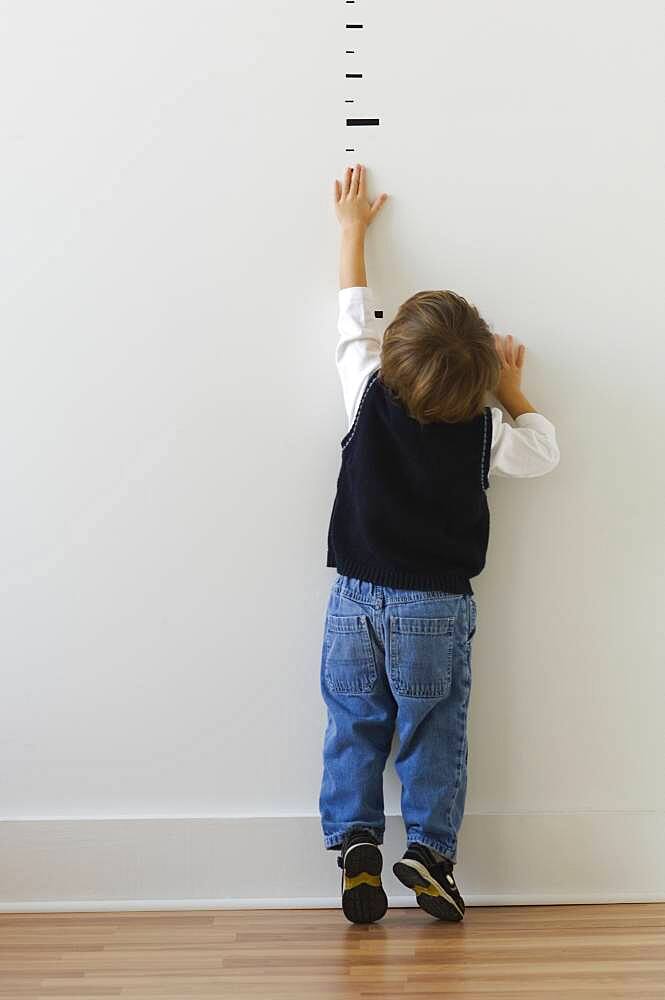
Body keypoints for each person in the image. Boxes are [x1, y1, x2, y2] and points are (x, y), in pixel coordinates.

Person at [319, 164, 561, 924]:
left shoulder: (363, 387)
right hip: (434, 609)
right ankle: (427, 851)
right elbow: (545, 449)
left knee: (353, 723)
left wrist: (352, 230)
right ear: (478, 378)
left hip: (353, 599)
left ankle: (357, 843)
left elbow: (349, 320)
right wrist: (512, 387)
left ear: (394, 356)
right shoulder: (484, 433)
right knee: (432, 730)